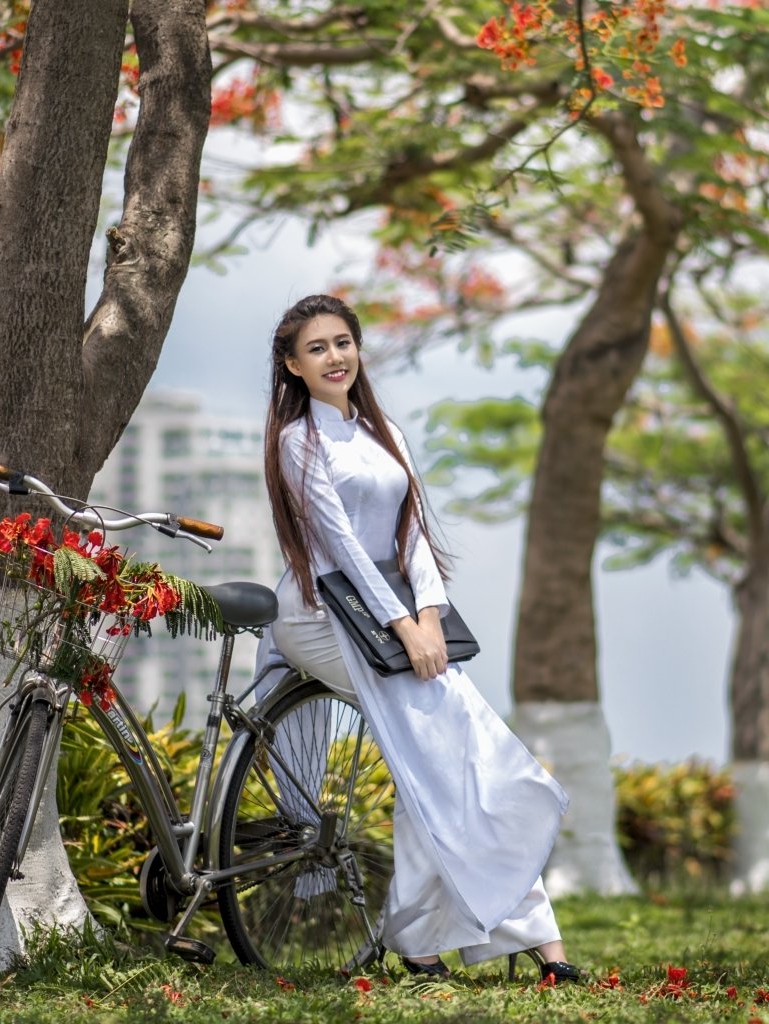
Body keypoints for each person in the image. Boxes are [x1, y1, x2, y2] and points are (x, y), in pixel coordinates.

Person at [257, 293, 582, 983]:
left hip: (396, 613)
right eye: (316, 349)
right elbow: (340, 548)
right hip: (321, 616)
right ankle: (503, 940)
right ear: (293, 366)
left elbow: (411, 537)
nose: (334, 357)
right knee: (440, 745)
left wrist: (429, 613)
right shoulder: (296, 443)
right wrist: (403, 628)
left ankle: (480, 938)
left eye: (343, 342)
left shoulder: (387, 434)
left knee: (457, 747)